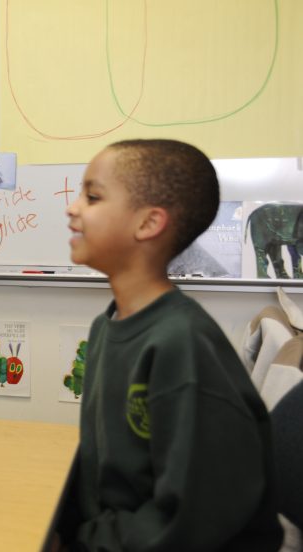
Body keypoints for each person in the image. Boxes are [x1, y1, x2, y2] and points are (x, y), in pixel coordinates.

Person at [56, 139, 283, 550]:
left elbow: (191, 521)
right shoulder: (105, 327)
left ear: (148, 224)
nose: (73, 208)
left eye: (92, 197)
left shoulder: (183, 346)